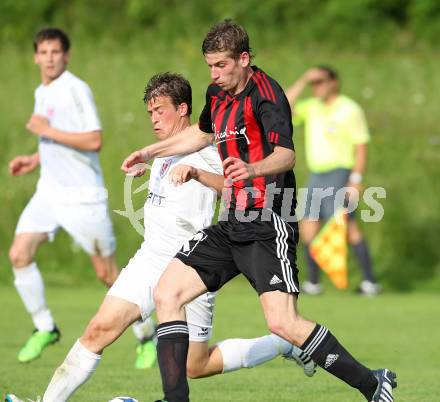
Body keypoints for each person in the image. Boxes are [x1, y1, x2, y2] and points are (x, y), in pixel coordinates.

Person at [122, 21, 397, 402]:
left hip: (269, 222)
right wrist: (149, 151)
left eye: (221, 65)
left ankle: (372, 383)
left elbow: (287, 155)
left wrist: (252, 169)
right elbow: (202, 133)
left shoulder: (268, 96)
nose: (214, 74)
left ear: (244, 59)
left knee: (283, 323)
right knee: (167, 293)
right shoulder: (216, 94)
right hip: (233, 221)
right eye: (210, 66)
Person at [5, 72, 314, 402]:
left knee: (197, 365)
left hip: (191, 265)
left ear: (183, 109)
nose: (154, 119)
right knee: (98, 330)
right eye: (150, 113)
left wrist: (198, 174)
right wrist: (148, 166)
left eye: (160, 111)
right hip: (151, 257)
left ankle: (283, 343)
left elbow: (237, 188)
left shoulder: (210, 150)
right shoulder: (164, 150)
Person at [7, 27, 156, 368]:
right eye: (43, 52)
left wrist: (46, 131)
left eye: (55, 52)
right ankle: (45, 327)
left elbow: (93, 141)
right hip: (49, 192)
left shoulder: (76, 89)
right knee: (19, 254)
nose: (49, 58)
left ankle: (146, 335)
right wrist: (34, 158)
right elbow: (57, 141)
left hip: (82, 197)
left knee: (107, 274)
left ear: (66, 55)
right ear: (35, 57)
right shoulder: (40, 92)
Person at [285, 66, 380, 296]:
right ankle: (314, 283)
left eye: (320, 82)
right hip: (318, 174)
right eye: (314, 83)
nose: (316, 87)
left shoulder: (349, 109)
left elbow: (361, 145)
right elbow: (284, 106)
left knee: (347, 227)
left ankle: (369, 282)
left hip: (340, 173)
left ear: (333, 82)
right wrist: (303, 78)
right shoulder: (312, 107)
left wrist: (355, 179)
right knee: (308, 227)